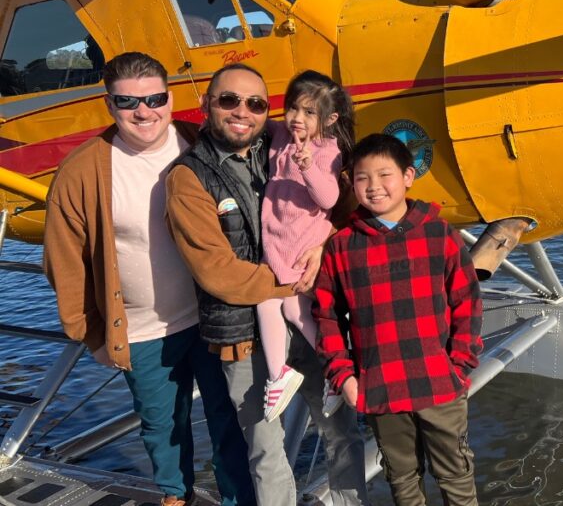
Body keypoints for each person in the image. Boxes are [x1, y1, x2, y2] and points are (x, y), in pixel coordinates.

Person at [43, 52, 255, 506]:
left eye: (155, 98)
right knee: (163, 428)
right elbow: (63, 264)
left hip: (213, 318)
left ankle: (240, 499)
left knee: (230, 420)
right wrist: (93, 335)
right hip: (141, 330)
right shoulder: (81, 172)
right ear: (109, 104)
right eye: (128, 102)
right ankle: (175, 497)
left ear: (170, 99)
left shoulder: (201, 143)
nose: (144, 111)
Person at [164, 63, 367, 506]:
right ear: (206, 105)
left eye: (256, 103)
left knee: (340, 430)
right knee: (265, 449)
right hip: (244, 330)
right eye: (228, 100)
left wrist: (327, 240)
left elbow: (344, 203)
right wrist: (286, 287)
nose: (243, 111)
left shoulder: (280, 139)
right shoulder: (188, 176)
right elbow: (216, 269)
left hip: (309, 312)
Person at [314, 133, 483, 506]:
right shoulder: (342, 246)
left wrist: (460, 365)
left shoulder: (440, 234)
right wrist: (344, 377)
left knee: (455, 475)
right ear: (350, 183)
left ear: (408, 176)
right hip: (381, 387)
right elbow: (326, 316)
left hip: (439, 382)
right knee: (402, 480)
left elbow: (467, 303)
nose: (374, 187)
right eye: (362, 178)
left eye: (385, 175)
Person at [258, 70, 354, 421]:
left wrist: (308, 166)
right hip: (280, 236)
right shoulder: (281, 132)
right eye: (293, 108)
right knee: (295, 311)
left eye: (309, 113)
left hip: (300, 241)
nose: (297, 118)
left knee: (269, 300)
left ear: (329, 119)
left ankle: (278, 373)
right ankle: (335, 372)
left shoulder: (327, 150)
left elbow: (328, 198)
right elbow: (257, 124)